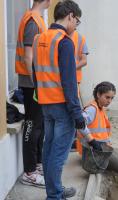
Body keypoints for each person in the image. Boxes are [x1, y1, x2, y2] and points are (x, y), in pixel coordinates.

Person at [32, 0, 85, 199]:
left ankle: (55, 191)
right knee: (59, 154)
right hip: (63, 106)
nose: (75, 26)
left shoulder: (40, 38)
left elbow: (35, 73)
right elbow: (69, 83)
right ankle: (54, 195)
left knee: (48, 150)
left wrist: (41, 97)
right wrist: (77, 114)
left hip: (45, 103)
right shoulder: (64, 42)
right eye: (77, 21)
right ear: (70, 15)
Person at [76, 81, 118, 200]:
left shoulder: (100, 108)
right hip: (96, 152)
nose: (109, 101)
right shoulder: (92, 109)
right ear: (98, 94)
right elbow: (79, 123)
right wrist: (92, 140)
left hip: (101, 149)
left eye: (111, 98)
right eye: (107, 97)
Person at [15, 0, 50, 187]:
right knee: (32, 126)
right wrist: (36, 82)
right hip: (32, 84)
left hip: (35, 82)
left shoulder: (36, 19)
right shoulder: (32, 21)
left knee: (39, 125)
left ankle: (36, 165)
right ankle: (29, 172)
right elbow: (28, 56)